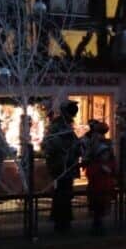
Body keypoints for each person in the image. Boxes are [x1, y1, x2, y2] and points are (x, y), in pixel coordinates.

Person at [43, 100, 81, 233]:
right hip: (60, 165)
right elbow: (51, 143)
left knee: (65, 193)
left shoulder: (66, 125)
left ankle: (63, 220)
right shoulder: (57, 125)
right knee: (62, 193)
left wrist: (78, 145)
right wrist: (70, 147)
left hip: (67, 164)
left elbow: (74, 143)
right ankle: (61, 221)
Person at [80, 120, 116, 235]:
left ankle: (97, 221)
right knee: (100, 197)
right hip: (100, 172)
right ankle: (98, 222)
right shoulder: (100, 142)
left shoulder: (91, 141)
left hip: (98, 172)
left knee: (98, 197)